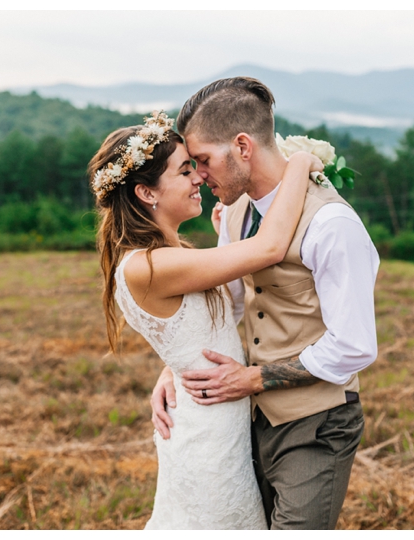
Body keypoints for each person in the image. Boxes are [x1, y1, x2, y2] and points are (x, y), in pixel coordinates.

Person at [150, 77, 380, 529]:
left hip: (316, 423)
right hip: (247, 424)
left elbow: (354, 346)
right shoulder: (234, 212)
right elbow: (229, 307)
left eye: (203, 161)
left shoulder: (331, 224)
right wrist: (174, 366)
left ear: (242, 146)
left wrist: (253, 378)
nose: (198, 175)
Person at [90, 110, 323, 529]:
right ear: (147, 193)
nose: (198, 176)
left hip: (220, 419)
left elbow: (208, 319)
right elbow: (270, 248)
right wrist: (300, 164)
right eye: (184, 170)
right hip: (207, 437)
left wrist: (173, 368)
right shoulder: (147, 265)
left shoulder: (171, 255)